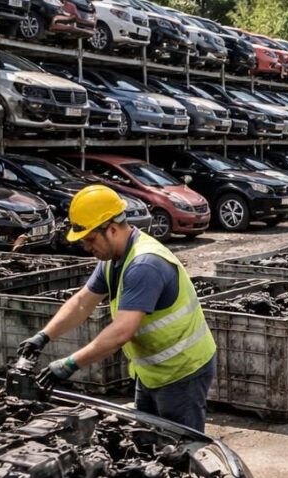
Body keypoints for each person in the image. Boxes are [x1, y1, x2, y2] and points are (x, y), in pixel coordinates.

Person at [17, 185, 217, 432]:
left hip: (182, 371)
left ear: (111, 229)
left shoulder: (145, 264)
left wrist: (69, 364)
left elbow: (122, 331)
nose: (88, 248)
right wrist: (43, 336)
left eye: (90, 239)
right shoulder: (113, 259)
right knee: (146, 439)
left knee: (180, 448)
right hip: (151, 371)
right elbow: (82, 303)